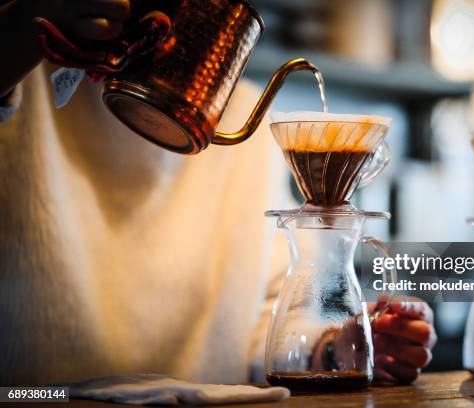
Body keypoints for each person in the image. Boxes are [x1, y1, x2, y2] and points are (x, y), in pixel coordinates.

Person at [0, 0, 436, 386]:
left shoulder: (245, 120)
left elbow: (255, 335)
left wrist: (339, 350)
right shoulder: (17, 79)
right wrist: (22, 28)